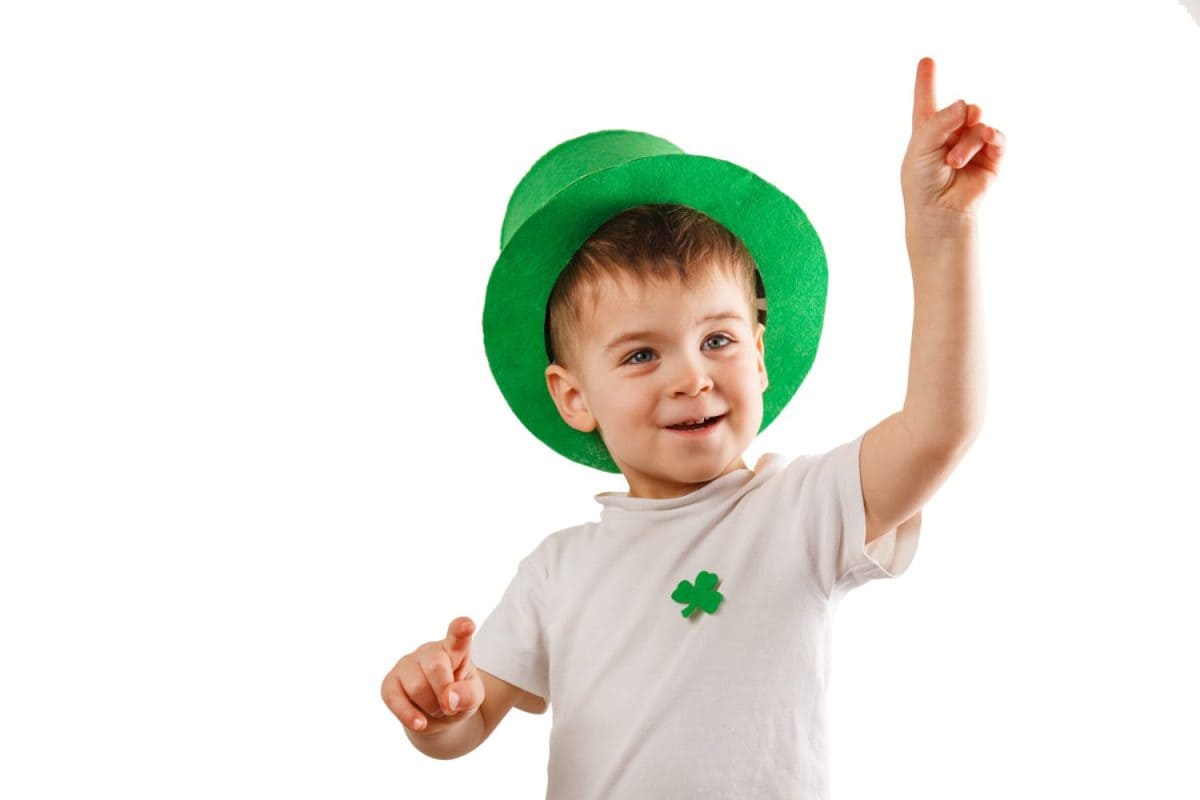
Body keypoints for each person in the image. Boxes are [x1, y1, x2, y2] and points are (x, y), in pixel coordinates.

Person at [381, 56, 1004, 797]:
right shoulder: (557, 570)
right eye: (642, 353)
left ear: (761, 355)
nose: (692, 377)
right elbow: (466, 724)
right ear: (575, 397)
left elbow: (940, 427)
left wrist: (942, 237)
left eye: (717, 340)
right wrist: (436, 702)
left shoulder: (799, 511)